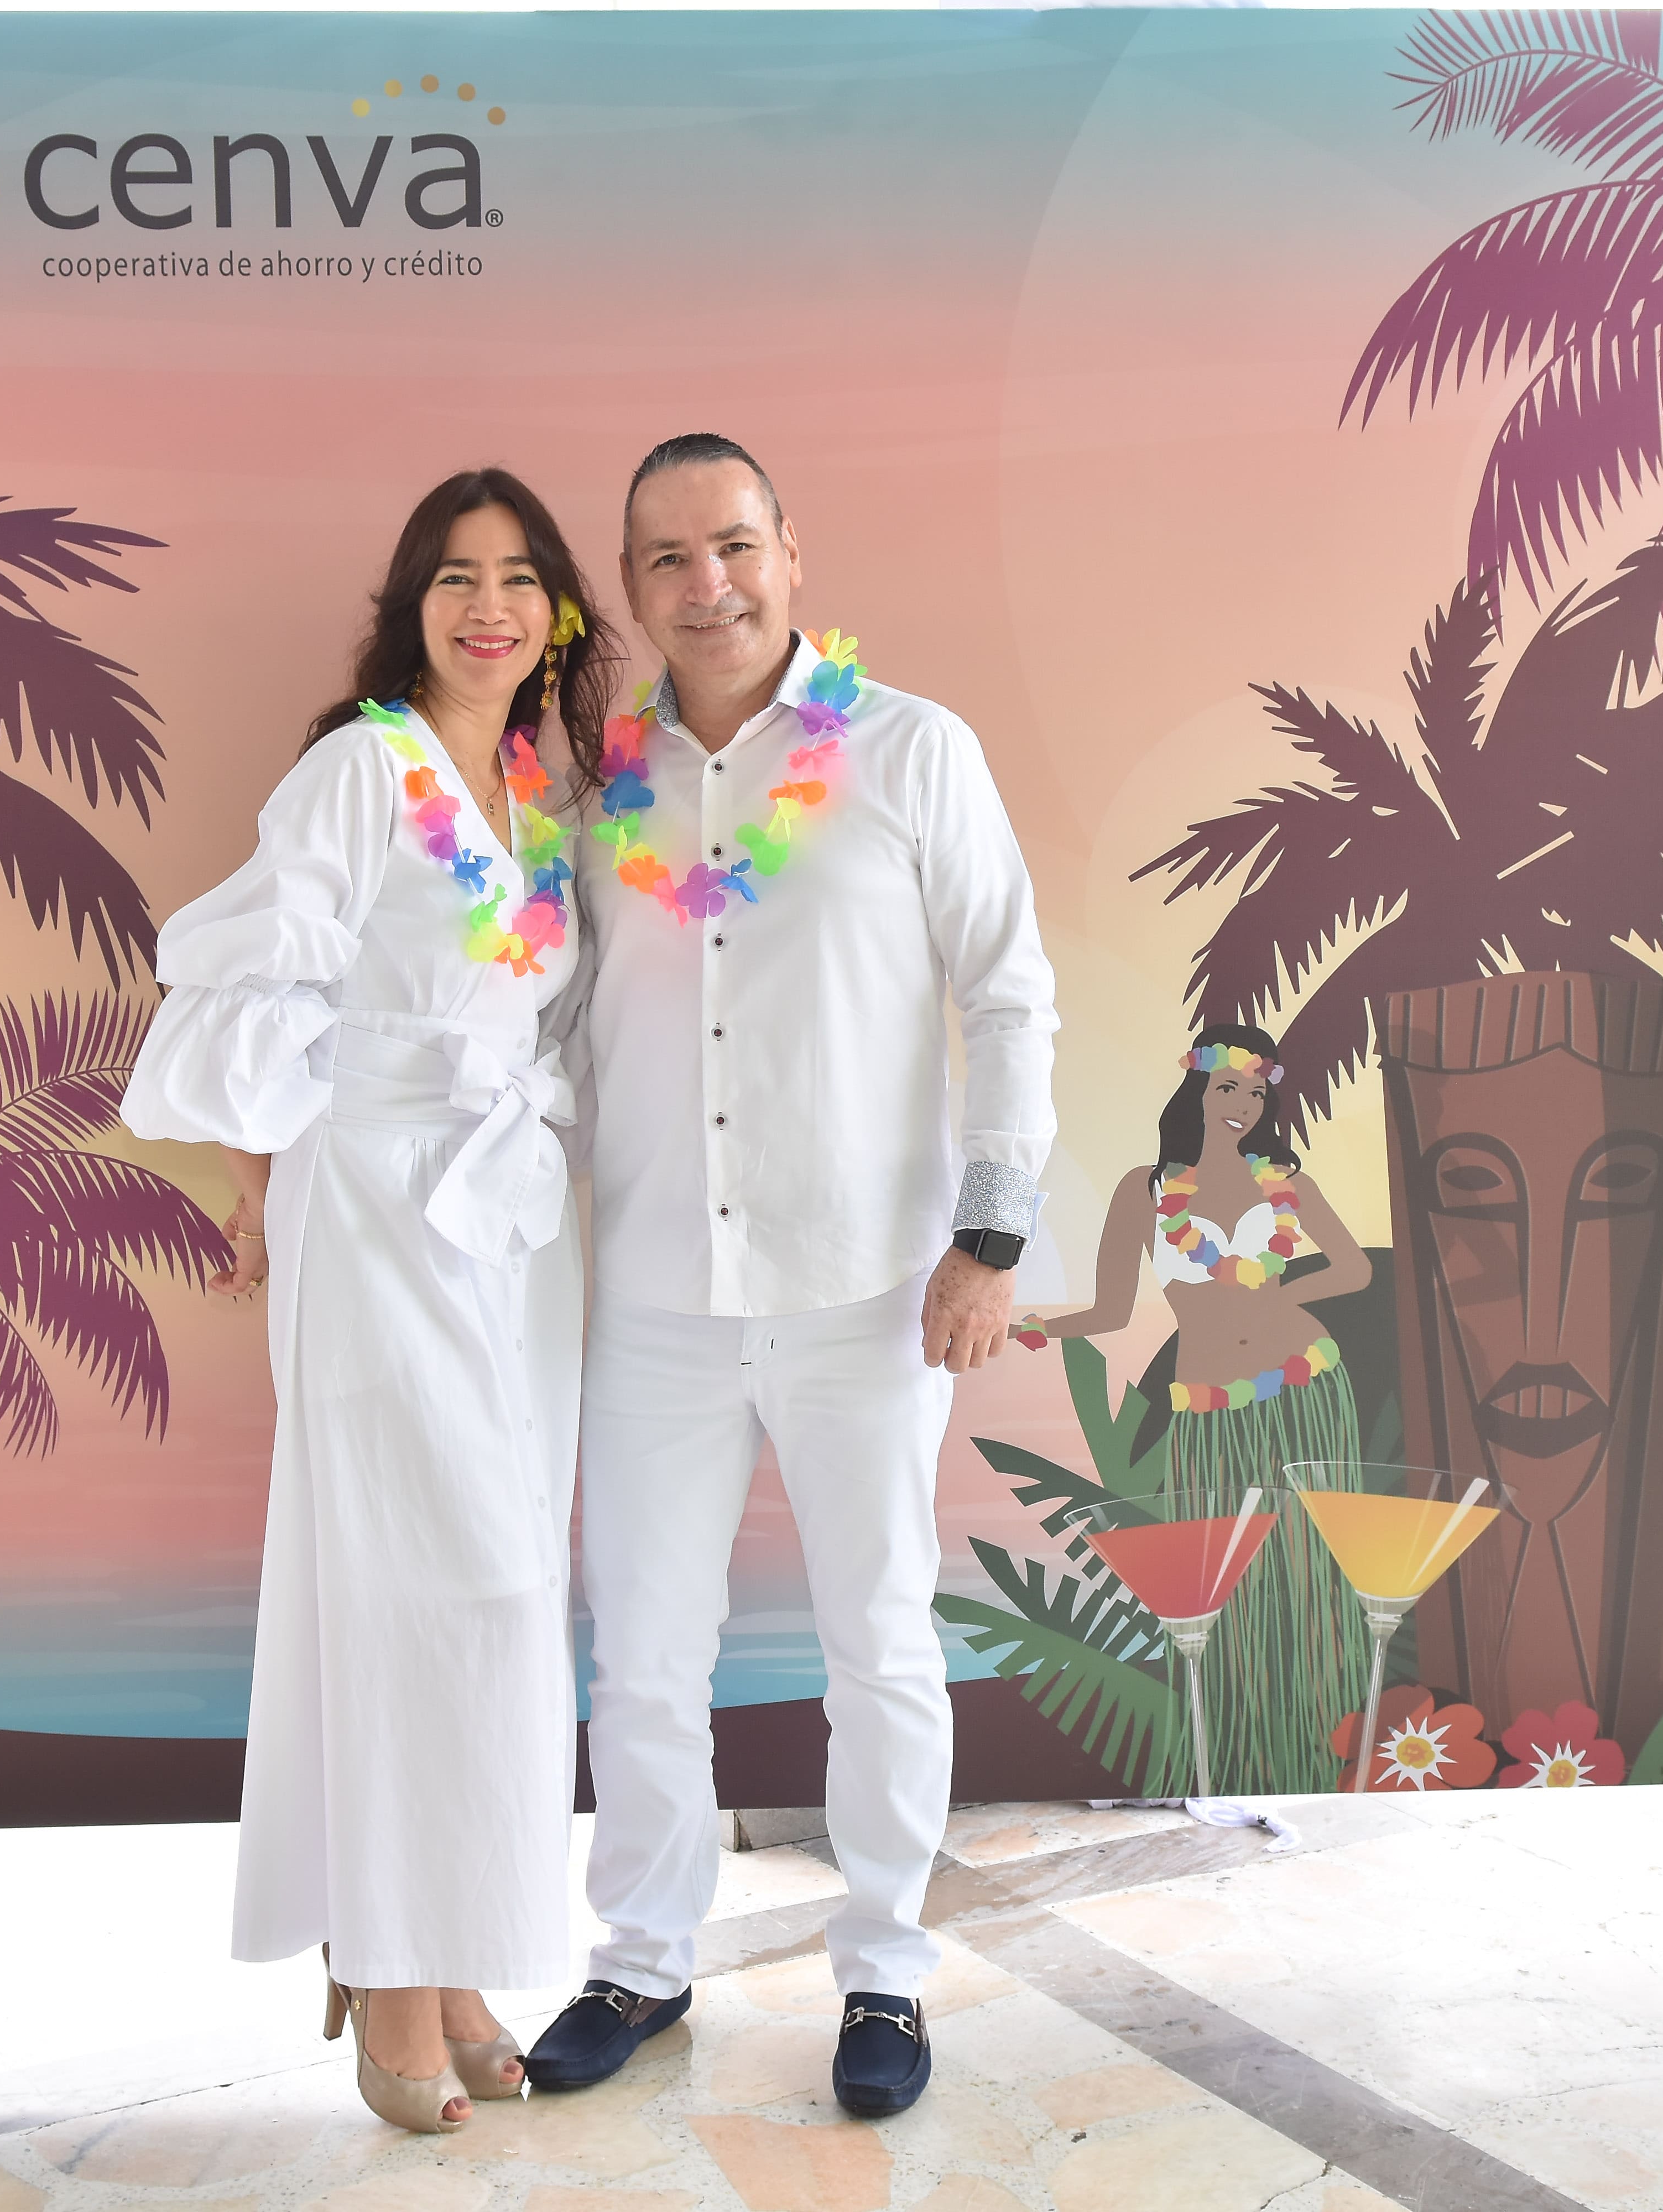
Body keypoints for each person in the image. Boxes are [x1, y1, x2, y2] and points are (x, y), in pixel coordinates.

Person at [525, 434, 1057, 2120]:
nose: (709, 585)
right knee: (643, 1652)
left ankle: (886, 1970)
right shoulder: (596, 799)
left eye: (736, 545)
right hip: (657, 1294)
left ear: (791, 552)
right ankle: (640, 1955)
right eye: (667, 559)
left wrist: (989, 1236)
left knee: (880, 1639)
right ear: (630, 589)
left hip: (866, 1288)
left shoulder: (911, 750)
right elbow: (551, 1031)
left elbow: (1009, 993)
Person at [119, 470, 611, 2135]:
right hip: (387, 1209)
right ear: (412, 607)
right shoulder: (364, 769)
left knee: (504, 1587)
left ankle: (451, 1958)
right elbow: (246, 986)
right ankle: (394, 1974)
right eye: (457, 578)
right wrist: (265, 1171)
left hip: (515, 1222)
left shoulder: (539, 793)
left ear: (557, 615)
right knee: (416, 1578)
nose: (491, 606)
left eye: (521, 578)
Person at [1014, 1021, 1374, 1793]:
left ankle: (1327, 1752)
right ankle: (1244, 1762)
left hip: (1306, 1390)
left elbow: (1352, 1270)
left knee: (1311, 1579)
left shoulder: (1287, 1185)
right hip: (1210, 1412)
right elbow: (1112, 1310)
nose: (1242, 1104)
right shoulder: (1144, 1192)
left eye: (1256, 1093)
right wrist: (1038, 1327)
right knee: (1228, 1589)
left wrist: (1284, 1294)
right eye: (1227, 1088)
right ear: (1196, 1089)